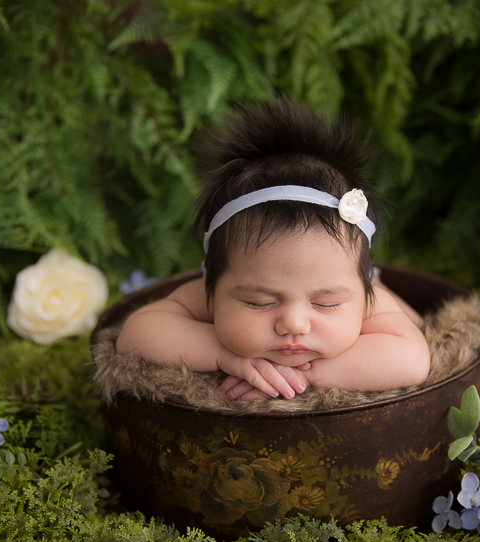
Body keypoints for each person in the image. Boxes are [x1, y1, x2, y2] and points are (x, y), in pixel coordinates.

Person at [116, 98, 430, 401]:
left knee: (418, 324)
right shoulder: (210, 294)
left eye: (325, 304)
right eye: (259, 302)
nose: (294, 324)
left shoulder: (367, 300)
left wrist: (302, 378)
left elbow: (412, 360)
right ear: (212, 281)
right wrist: (224, 356)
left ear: (361, 289)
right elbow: (135, 334)